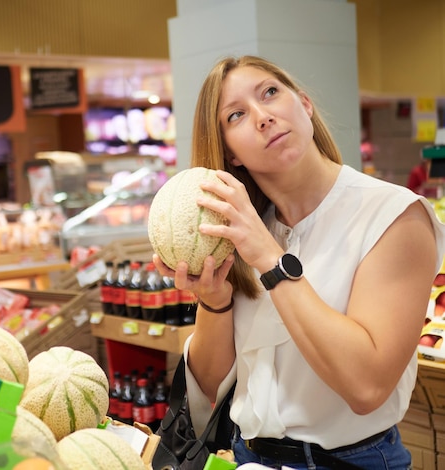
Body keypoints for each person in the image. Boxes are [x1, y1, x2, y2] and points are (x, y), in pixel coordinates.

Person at [152, 55, 445, 469]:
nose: (263, 116)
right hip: (246, 456)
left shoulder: (394, 216)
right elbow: (210, 384)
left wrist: (271, 260)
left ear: (304, 104)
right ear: (230, 154)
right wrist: (213, 299)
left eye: (270, 93)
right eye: (236, 115)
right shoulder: (236, 229)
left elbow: (367, 387)